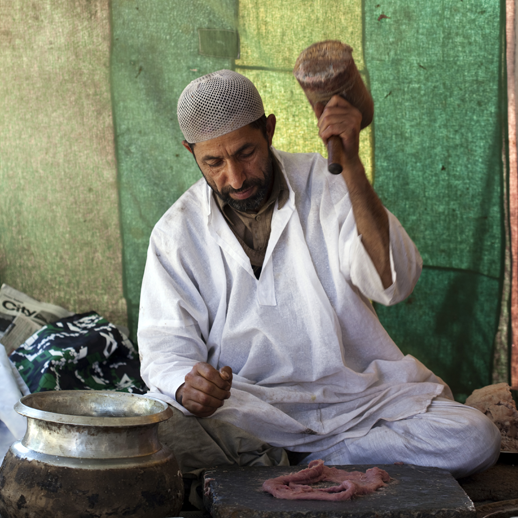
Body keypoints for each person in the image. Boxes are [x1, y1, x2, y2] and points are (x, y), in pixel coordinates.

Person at [138, 70, 500, 484]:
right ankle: (302, 464)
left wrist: (352, 168)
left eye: (245, 153)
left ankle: (280, 466)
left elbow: (393, 283)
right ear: (190, 152)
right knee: (151, 431)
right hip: (246, 411)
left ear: (269, 129)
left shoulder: (328, 186)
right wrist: (189, 387)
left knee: (474, 437)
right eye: (214, 162)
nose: (235, 178)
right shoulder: (176, 232)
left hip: (353, 403)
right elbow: (165, 348)